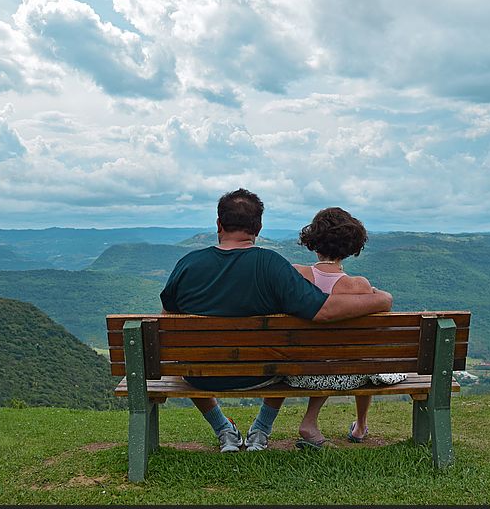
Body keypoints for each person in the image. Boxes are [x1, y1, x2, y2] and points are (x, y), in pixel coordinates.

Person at [160, 189, 393, 453]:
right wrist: (381, 300)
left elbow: (170, 317)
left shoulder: (187, 264)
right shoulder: (272, 265)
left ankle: (223, 429)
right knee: (285, 349)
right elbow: (324, 311)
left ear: (219, 223)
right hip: (263, 374)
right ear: (258, 227)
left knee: (188, 356)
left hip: (199, 375)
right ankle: (260, 429)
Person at [287, 207, 407, 448]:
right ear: (351, 246)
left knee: (331, 355)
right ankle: (361, 426)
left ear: (313, 240)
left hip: (297, 371)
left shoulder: (295, 274)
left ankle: (310, 421)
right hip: (346, 373)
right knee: (366, 356)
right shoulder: (358, 286)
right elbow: (384, 303)